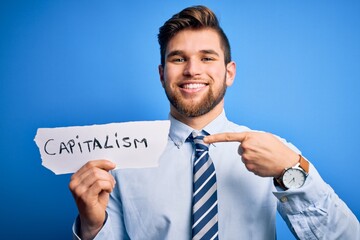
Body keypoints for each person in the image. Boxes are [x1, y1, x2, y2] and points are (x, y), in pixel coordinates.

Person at [69, 5, 359, 240]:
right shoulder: (124, 161)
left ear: (229, 73)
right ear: (161, 73)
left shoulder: (276, 152)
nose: (192, 70)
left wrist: (291, 170)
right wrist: (92, 228)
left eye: (207, 58)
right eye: (178, 59)